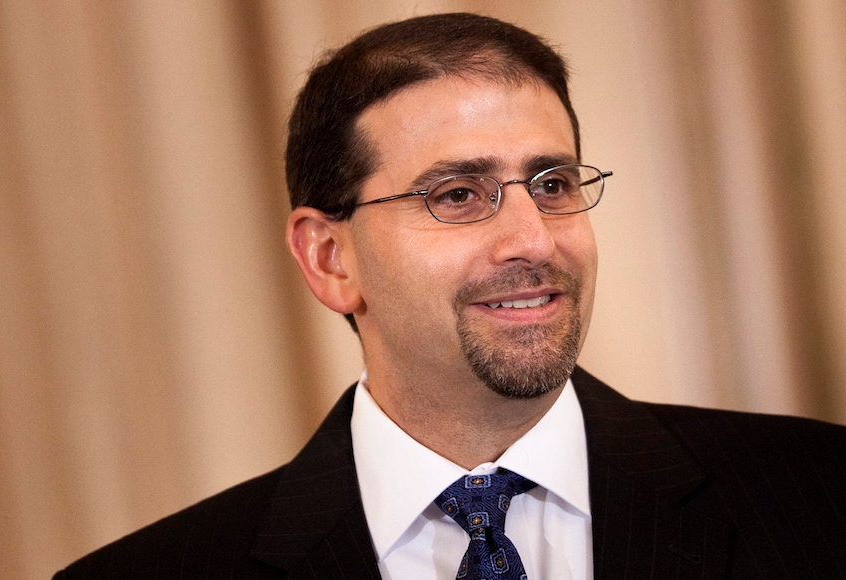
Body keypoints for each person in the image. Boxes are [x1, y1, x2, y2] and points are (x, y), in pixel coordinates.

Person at [55, 12, 846, 579]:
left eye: (554, 183)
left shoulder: (818, 499)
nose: (534, 239)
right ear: (331, 258)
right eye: (459, 195)